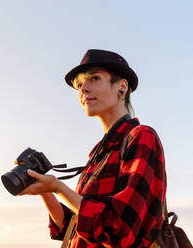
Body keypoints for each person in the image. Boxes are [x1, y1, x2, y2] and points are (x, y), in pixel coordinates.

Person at [18, 49, 166, 248]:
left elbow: (121, 229)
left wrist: (58, 187)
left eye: (94, 78)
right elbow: (72, 227)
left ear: (121, 87)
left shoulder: (141, 137)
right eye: (79, 85)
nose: (83, 89)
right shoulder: (99, 153)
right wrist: (44, 188)